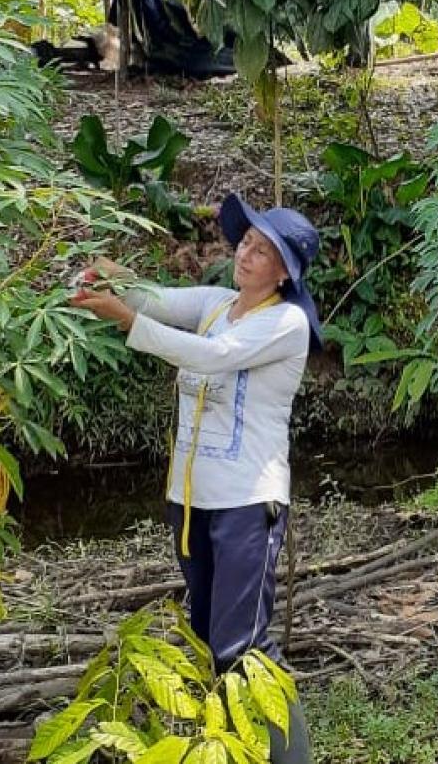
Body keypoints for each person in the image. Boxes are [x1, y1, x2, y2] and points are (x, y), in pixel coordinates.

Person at [69, 192, 320, 764]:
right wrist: (115, 277)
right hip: (190, 499)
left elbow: (211, 356)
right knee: (211, 640)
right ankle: (233, 749)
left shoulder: (285, 323)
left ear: (285, 273)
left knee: (245, 645)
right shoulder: (217, 303)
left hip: (245, 502)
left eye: (264, 252)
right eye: (247, 243)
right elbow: (158, 300)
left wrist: (127, 320)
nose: (248, 255)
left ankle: (290, 756)